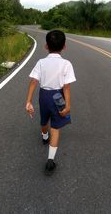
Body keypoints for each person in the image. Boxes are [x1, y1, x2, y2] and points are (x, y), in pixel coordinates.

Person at [25, 30, 76, 175]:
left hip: (44, 95)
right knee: (56, 127)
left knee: (43, 119)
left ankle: (44, 136)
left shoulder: (41, 62)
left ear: (46, 46)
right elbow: (66, 86)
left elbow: (34, 81)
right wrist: (68, 105)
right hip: (58, 96)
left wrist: (28, 101)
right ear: (64, 46)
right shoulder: (66, 64)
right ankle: (50, 160)